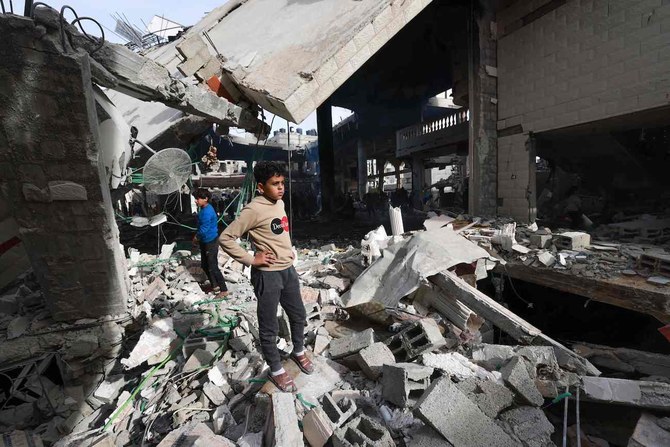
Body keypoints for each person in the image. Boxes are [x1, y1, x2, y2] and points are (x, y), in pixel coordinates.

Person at [219, 161, 312, 392]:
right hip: (267, 276)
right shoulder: (253, 209)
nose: (281, 188)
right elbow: (226, 238)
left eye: (282, 183)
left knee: (298, 314)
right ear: (261, 186)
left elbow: (277, 232)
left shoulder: (279, 202)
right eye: (275, 184)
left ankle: (298, 351)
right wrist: (252, 259)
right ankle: (276, 369)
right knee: (269, 324)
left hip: (287, 271)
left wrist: (287, 250)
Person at [193, 188, 228, 298]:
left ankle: (224, 289)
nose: (196, 201)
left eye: (198, 199)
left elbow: (204, 229)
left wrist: (196, 237)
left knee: (213, 266)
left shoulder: (207, 212)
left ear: (205, 199)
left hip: (210, 241)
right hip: (205, 241)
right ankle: (215, 285)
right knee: (204, 265)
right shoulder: (203, 209)